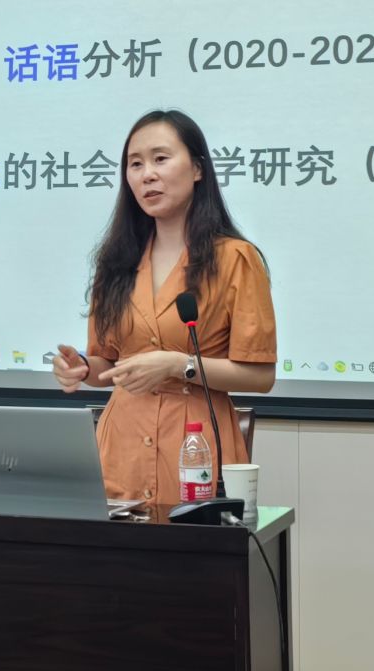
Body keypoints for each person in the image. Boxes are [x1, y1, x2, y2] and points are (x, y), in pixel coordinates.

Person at [52, 108, 277, 505]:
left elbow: (260, 375)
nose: (147, 175)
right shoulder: (115, 262)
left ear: (197, 169)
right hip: (121, 449)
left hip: (196, 444)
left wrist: (179, 365)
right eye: (135, 164)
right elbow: (109, 365)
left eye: (160, 159)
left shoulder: (235, 259)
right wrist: (84, 368)